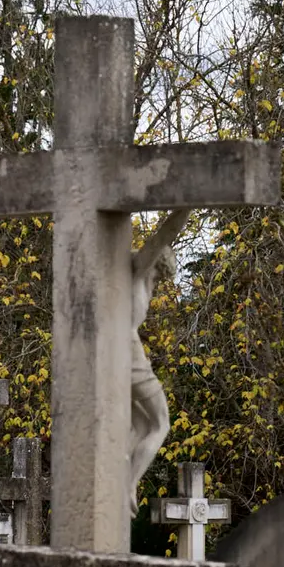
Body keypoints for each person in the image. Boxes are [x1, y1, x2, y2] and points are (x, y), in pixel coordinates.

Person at [125, 208, 190, 517]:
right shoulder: (139, 269)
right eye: (163, 275)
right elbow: (167, 232)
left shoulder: (144, 284)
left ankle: (119, 477)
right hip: (128, 352)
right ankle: (128, 483)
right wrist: (188, 205)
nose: (161, 281)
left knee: (139, 423)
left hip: (126, 350)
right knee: (161, 421)